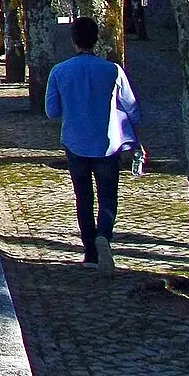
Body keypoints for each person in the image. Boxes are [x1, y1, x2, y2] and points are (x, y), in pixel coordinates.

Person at [44, 16, 140, 270]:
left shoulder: (59, 71)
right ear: (96, 39)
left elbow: (52, 111)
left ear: (73, 40)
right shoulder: (113, 70)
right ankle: (103, 236)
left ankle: (90, 252)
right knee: (108, 195)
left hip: (75, 142)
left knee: (83, 197)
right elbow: (133, 108)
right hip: (108, 142)